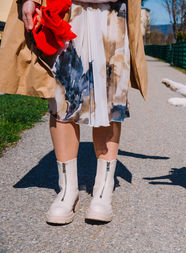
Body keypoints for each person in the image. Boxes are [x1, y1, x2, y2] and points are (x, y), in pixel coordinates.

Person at [0, 0, 147, 224]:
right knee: (62, 101)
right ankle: (68, 191)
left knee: (110, 99)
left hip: (111, 11)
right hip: (66, 11)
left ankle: (102, 191)